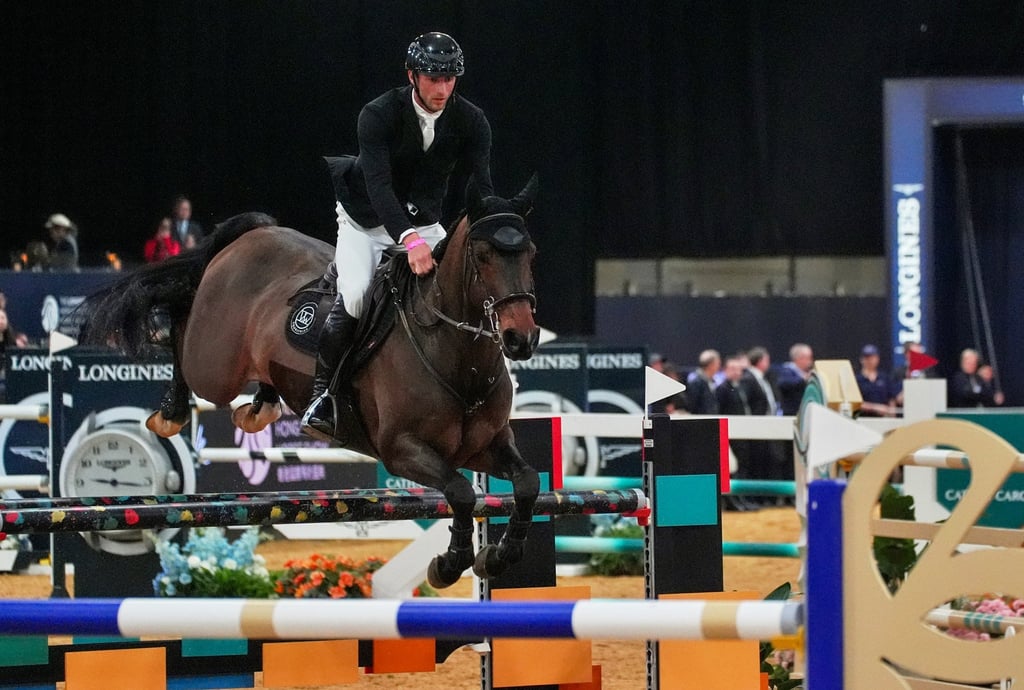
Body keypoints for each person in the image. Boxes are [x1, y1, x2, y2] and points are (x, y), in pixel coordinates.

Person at [303, 32, 494, 439]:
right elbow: (379, 186)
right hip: (365, 221)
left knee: (466, 284)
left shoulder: (472, 120)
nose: (442, 88)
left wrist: (491, 226)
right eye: (433, 78)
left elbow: (482, 187)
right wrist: (408, 240)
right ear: (412, 76)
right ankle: (323, 397)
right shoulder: (378, 114)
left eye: (450, 79)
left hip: (424, 220)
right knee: (355, 295)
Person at [855, 344, 896, 417]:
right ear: (861, 359)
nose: (870, 361)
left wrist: (892, 414)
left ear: (877, 358)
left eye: (872, 357)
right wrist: (875, 408)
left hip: (883, 419)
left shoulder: (884, 378)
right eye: (867, 358)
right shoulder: (856, 379)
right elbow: (855, 403)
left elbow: (891, 398)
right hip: (863, 419)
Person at [775, 343, 814, 416]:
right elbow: (784, 384)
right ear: (799, 358)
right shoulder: (786, 371)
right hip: (790, 414)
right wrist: (803, 379)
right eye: (808, 358)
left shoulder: (805, 372)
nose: (810, 361)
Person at [684, 349, 720, 415]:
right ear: (710, 365)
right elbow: (692, 405)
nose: (718, 366)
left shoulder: (711, 381)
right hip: (701, 422)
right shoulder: (696, 382)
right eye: (717, 363)